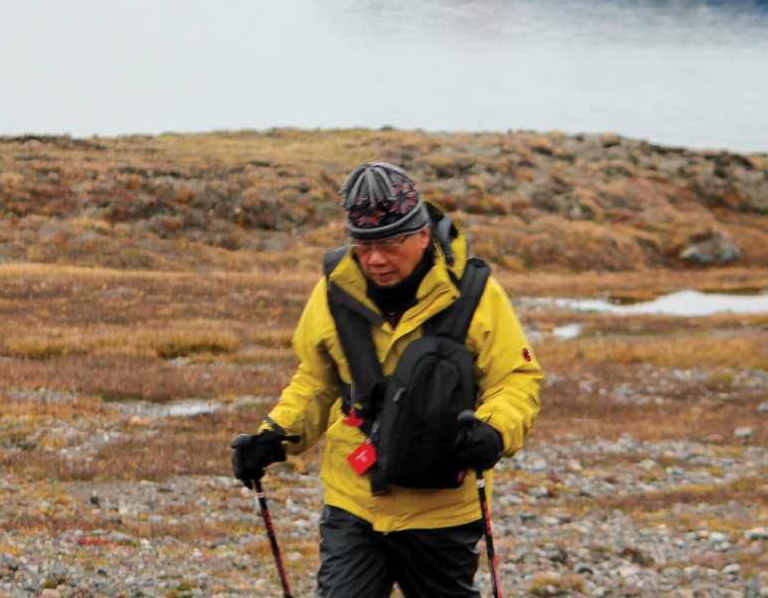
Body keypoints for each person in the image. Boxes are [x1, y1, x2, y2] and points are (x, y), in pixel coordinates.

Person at [232, 161, 543, 598]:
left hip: (442, 508)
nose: (375, 259)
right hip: (354, 500)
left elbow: (515, 380)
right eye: (363, 245)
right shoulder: (333, 291)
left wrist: (493, 430)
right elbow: (317, 381)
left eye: (390, 243)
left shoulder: (474, 294)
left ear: (422, 234)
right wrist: (274, 436)